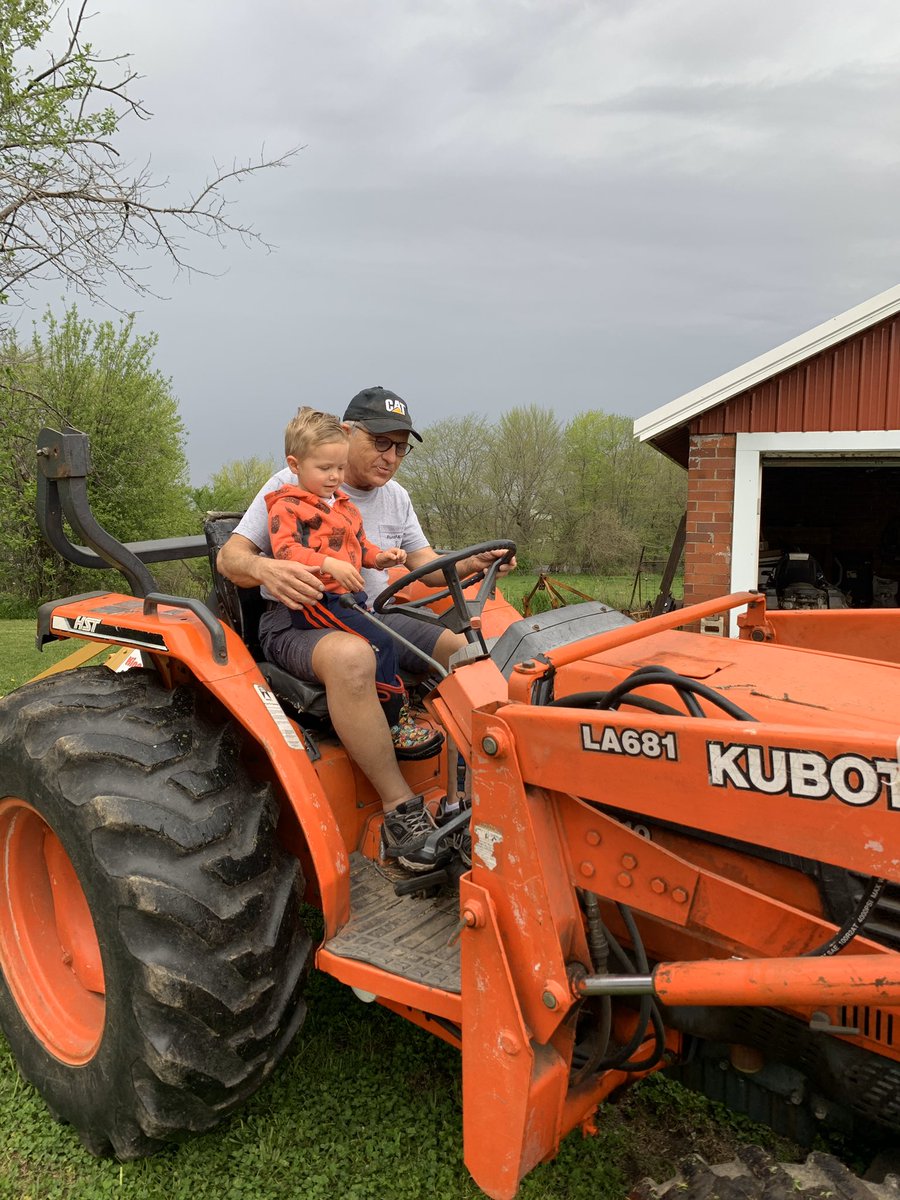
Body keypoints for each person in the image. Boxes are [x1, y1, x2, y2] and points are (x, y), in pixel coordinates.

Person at [217, 385, 515, 872]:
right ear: (349, 432)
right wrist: (268, 570)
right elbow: (232, 557)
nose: (392, 457)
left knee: (465, 649)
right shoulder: (289, 488)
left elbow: (425, 564)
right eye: (381, 442)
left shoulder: (394, 498)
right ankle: (401, 810)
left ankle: (480, 789)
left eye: (401, 447)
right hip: (297, 620)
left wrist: (474, 563)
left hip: (370, 612)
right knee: (355, 656)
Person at [265, 406, 436, 754]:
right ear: (296, 466)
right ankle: (394, 722)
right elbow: (285, 553)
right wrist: (328, 563)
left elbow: (361, 546)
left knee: (394, 642)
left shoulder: (344, 506)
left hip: (349, 599)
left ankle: (422, 721)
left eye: (339, 468)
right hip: (314, 602)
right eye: (325, 468)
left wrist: (380, 558)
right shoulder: (287, 506)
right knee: (378, 645)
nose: (334, 477)